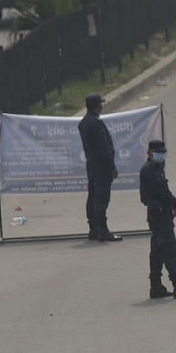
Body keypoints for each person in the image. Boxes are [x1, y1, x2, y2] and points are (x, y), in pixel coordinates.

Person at [139, 141, 176, 299]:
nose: (161, 155)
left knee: (157, 251)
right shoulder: (151, 170)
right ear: (149, 153)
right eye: (158, 152)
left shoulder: (154, 168)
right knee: (170, 249)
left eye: (163, 152)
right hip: (159, 213)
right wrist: (173, 201)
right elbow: (162, 191)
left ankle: (156, 286)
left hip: (158, 213)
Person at [78, 93, 120, 242]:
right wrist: (111, 167)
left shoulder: (84, 122)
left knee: (93, 196)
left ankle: (93, 228)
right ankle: (102, 230)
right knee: (101, 198)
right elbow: (103, 147)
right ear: (97, 105)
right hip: (101, 166)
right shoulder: (95, 123)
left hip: (92, 165)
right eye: (101, 103)